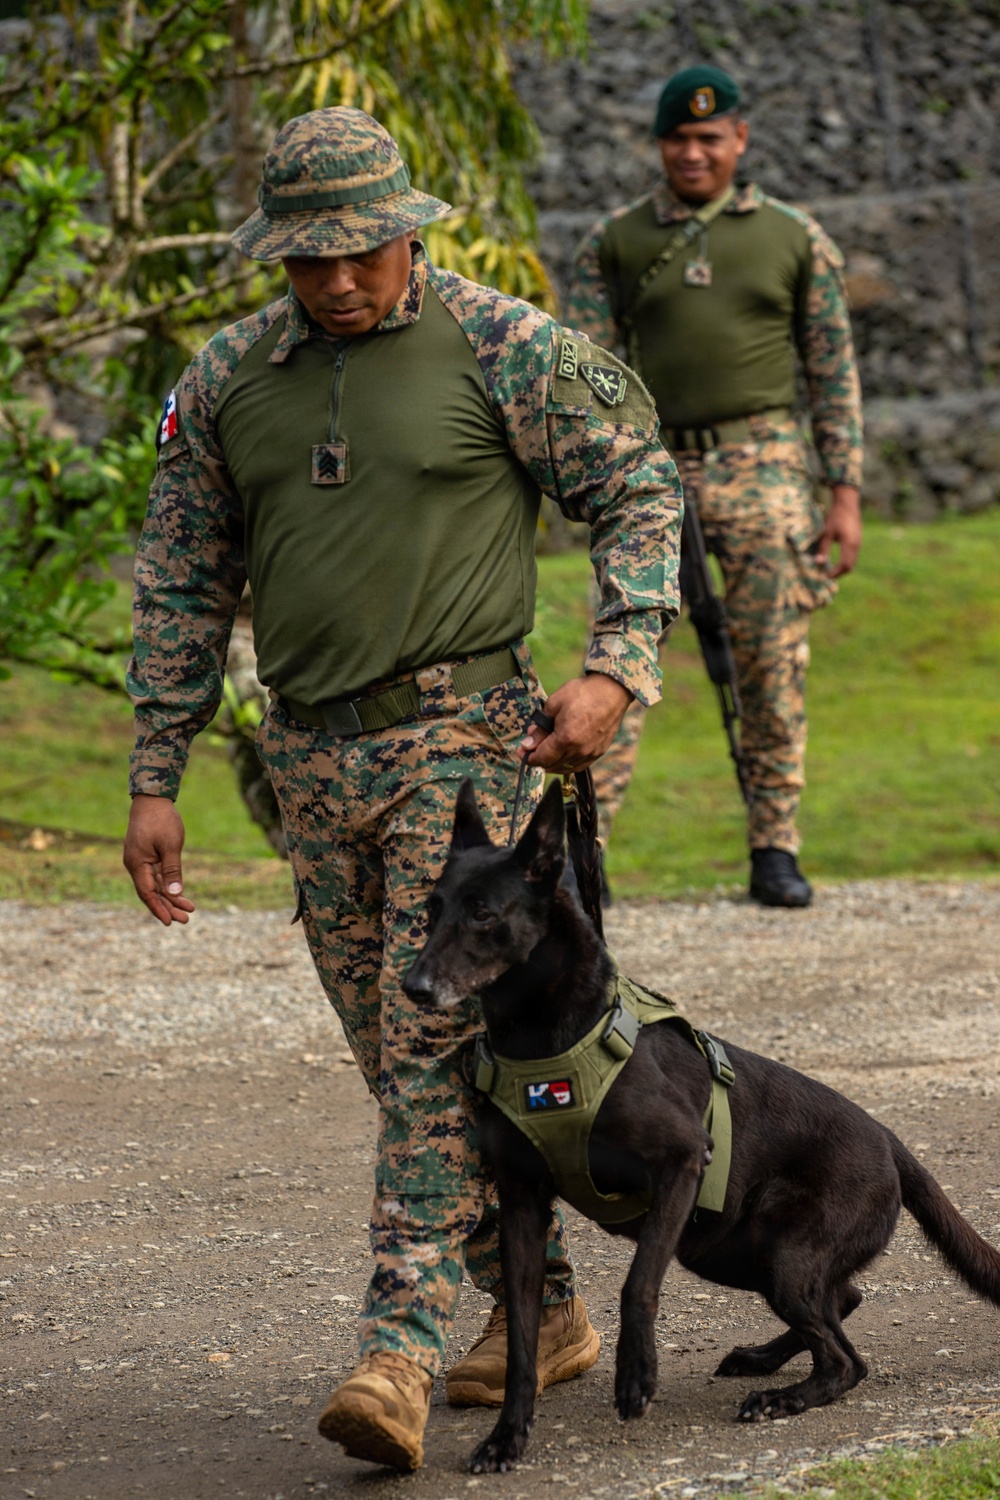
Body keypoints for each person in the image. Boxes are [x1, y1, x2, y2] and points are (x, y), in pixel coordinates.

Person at [122, 108, 682, 1472]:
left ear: (408, 230)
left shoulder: (506, 346)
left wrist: (617, 669)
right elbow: (185, 579)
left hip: (465, 753)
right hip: (307, 765)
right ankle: (541, 1312)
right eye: (310, 260)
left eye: (362, 253)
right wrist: (156, 771)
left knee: (430, 1049)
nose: (339, 282)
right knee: (402, 1064)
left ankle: (399, 1352)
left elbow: (638, 488)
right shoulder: (229, 379)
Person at [566, 64, 863, 908]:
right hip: (652, 470)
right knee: (619, 654)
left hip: (764, 462)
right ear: (658, 145)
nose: (692, 153)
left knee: (772, 656)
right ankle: (587, 855)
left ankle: (776, 844)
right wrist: (598, 470)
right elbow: (586, 370)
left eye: (709, 138)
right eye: (677, 139)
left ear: (739, 139)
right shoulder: (615, 242)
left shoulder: (794, 238)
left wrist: (842, 492)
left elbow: (831, 372)